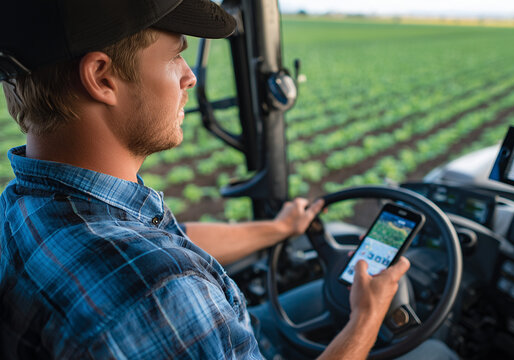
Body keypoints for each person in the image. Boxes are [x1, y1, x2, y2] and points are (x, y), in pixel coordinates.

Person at [0, 0, 457, 359]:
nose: (190, 77)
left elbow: (169, 245)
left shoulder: (26, 205)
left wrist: (278, 229)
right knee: (433, 350)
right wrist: (367, 317)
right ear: (102, 77)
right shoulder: (157, 288)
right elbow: (160, 275)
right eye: (175, 56)